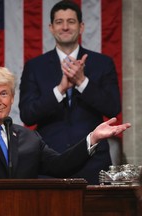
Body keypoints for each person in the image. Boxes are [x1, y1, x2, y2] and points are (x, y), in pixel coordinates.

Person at [0, 66, 129, 179]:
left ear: (12, 98)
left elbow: (60, 166)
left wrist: (93, 138)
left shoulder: (28, 137)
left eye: (4, 94)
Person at [19, 0, 121, 184]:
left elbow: (113, 108)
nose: (65, 27)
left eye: (71, 21)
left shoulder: (102, 63)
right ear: (51, 27)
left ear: (81, 27)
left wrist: (82, 82)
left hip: (93, 162)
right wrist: (60, 90)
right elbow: (27, 115)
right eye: (59, 22)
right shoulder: (35, 66)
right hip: (49, 162)